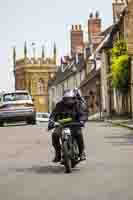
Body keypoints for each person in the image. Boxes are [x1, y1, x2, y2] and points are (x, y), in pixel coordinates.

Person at [48, 89, 88, 163]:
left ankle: (82, 152)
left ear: (74, 98)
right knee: (55, 135)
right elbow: (53, 115)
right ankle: (58, 153)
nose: (68, 101)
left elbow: (83, 114)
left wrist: (82, 120)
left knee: (79, 134)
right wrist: (51, 122)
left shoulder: (77, 104)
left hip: (74, 125)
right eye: (66, 99)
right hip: (62, 125)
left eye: (70, 99)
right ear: (63, 99)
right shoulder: (59, 105)